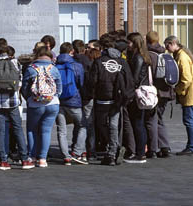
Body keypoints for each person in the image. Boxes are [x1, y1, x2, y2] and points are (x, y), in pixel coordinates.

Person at [86, 35, 131, 165]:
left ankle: (112, 150)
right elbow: (129, 80)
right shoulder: (122, 62)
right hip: (117, 98)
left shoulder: (99, 61)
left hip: (102, 98)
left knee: (101, 124)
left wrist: (91, 94)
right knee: (113, 125)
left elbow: (92, 81)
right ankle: (113, 151)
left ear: (102, 48)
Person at [0, 44, 30, 170]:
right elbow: (20, 81)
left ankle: (3, 160)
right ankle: (25, 159)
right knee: (18, 129)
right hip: (13, 101)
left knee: (0, 131)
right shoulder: (15, 62)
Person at [22, 45, 62, 168]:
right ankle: (43, 159)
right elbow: (59, 88)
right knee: (46, 130)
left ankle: (32, 156)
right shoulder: (54, 69)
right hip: (52, 103)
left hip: (35, 103)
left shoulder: (31, 68)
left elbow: (24, 88)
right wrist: (54, 97)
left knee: (31, 130)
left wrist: (29, 98)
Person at [165, 35, 193, 154]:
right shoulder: (182, 54)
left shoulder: (181, 57)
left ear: (173, 44)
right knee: (189, 119)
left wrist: (178, 90)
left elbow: (186, 79)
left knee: (188, 120)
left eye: (167, 46)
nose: (166, 49)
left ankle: (192, 147)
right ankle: (192, 145)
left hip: (189, 94)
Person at [123, 32, 154, 163]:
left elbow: (135, 78)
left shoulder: (138, 58)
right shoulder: (142, 56)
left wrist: (128, 92)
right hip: (142, 92)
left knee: (138, 124)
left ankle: (140, 153)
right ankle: (141, 151)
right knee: (139, 123)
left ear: (134, 43)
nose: (127, 45)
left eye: (129, 42)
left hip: (137, 94)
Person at [53, 41, 86, 164]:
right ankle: (76, 151)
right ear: (72, 51)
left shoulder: (55, 65)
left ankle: (66, 156)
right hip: (74, 100)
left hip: (59, 101)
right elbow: (81, 83)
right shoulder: (77, 65)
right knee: (83, 125)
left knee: (61, 130)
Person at [145, 31, 174, 158]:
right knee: (159, 119)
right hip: (166, 92)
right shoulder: (164, 54)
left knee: (152, 120)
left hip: (155, 92)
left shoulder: (149, 55)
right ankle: (164, 146)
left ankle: (154, 148)